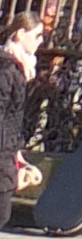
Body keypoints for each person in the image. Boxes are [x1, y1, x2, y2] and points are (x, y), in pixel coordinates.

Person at [0, 15, 41, 204]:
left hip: (7, 153)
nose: (40, 41)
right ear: (20, 34)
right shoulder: (7, 69)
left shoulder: (20, 70)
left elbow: (13, 118)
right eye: (37, 35)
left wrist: (18, 156)